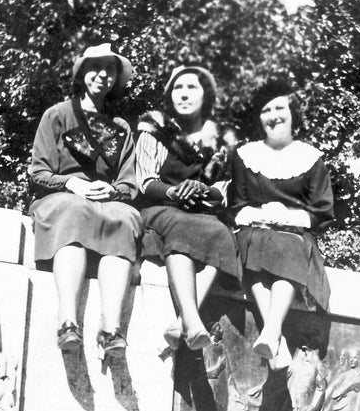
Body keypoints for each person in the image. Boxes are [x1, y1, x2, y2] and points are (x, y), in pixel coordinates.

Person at [29, 43, 142, 358]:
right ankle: (68, 323)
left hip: (105, 203)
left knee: (126, 218)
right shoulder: (58, 115)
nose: (103, 75)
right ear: (82, 73)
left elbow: (128, 182)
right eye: (96, 67)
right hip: (61, 198)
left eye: (110, 70)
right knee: (76, 209)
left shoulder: (120, 128)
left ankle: (111, 330)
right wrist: (71, 182)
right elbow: (38, 172)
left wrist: (112, 191)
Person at [229, 79, 334, 367]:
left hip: (295, 235)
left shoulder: (311, 159)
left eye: (280, 108)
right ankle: (274, 339)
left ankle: (271, 331)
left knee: (287, 245)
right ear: (259, 118)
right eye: (266, 110)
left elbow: (322, 211)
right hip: (255, 229)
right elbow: (235, 204)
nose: (273, 115)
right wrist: (262, 212)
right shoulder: (244, 156)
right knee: (252, 243)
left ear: (292, 114)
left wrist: (287, 216)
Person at [135, 65, 239, 351]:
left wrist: (204, 190)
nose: (184, 94)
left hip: (201, 213)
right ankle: (193, 323)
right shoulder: (155, 128)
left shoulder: (219, 140)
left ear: (206, 95)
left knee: (222, 233)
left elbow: (225, 190)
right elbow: (143, 180)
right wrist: (174, 191)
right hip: (160, 209)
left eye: (192, 88)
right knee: (181, 226)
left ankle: (180, 322)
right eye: (178, 88)